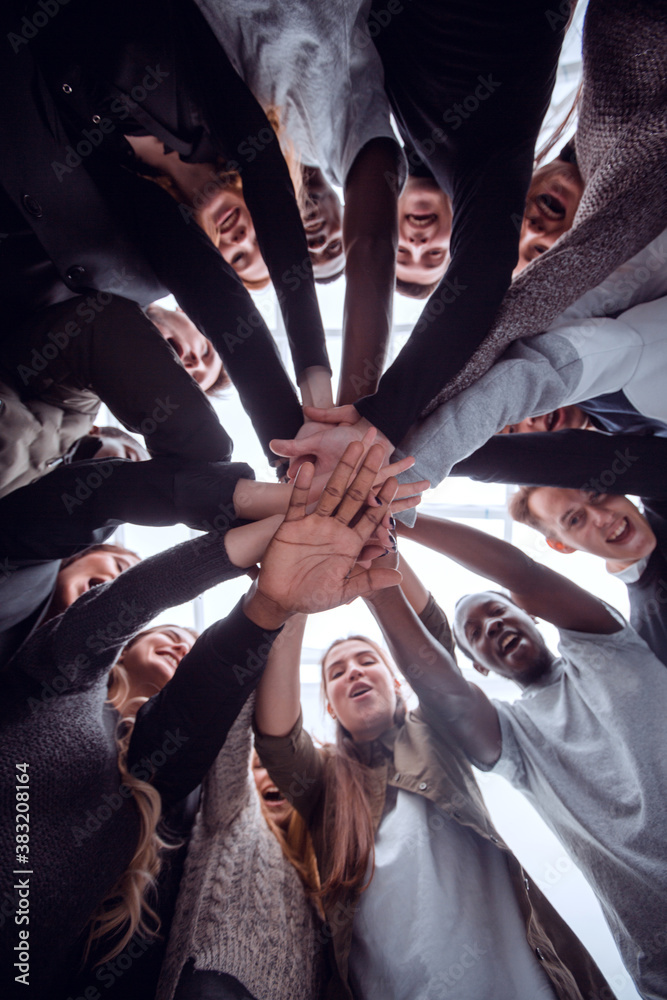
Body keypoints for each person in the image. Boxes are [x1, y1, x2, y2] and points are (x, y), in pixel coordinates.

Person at [0, 441, 408, 998]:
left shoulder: (141, 800)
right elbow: (127, 604)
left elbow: (193, 717)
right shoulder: (58, 691)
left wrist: (270, 605)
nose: (179, 645)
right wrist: (244, 544)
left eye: (190, 647)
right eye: (170, 636)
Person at [253, 560, 613, 999]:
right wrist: (295, 602)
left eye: (367, 661)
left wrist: (380, 556)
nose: (354, 672)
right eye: (336, 672)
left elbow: (433, 641)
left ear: (398, 683)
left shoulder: (434, 731)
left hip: (516, 981)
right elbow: (275, 740)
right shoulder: (323, 781)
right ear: (329, 706)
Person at [0, 0, 334, 467]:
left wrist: (288, 453)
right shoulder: (207, 123)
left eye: (235, 260)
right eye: (207, 349)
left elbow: (208, 285)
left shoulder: (135, 259)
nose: (239, 242)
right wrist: (312, 375)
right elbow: (223, 288)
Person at [398, 512, 667, 999]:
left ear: (531, 614)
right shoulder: (514, 738)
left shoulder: (606, 646)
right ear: (479, 664)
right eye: (475, 632)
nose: (492, 625)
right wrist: (377, 575)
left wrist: (399, 519)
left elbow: (523, 574)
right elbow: (443, 689)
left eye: (497, 610)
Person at [421, 0, 667, 410]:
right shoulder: (619, 204)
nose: (534, 230)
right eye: (539, 253)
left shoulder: (573, 133)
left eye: (510, 230)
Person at [193, 0, 407, 405]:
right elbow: (373, 244)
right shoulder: (340, 134)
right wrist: (351, 407)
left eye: (304, 255)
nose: (318, 239)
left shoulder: (220, 142)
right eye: (334, 246)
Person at [157, 697, 325, 1000]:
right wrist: (260, 651)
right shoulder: (234, 808)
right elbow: (235, 726)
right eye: (261, 766)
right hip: (216, 985)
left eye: (290, 772)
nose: (275, 776)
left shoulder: (319, 873)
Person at [509, 483, 667, 667]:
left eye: (596, 494)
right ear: (562, 545)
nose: (605, 517)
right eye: (575, 520)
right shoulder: (652, 636)